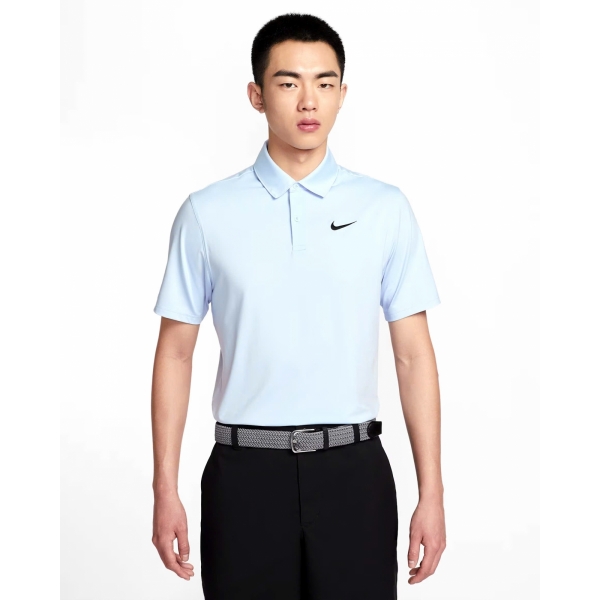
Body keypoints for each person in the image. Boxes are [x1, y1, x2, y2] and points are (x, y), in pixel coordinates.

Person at [150, 12, 446, 600]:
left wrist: (431, 493)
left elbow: (413, 356)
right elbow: (175, 354)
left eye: (324, 82)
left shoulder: (385, 209)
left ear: (342, 93)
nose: (308, 100)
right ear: (257, 95)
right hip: (244, 475)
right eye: (288, 83)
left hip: (354, 471)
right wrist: (165, 488)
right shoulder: (206, 213)